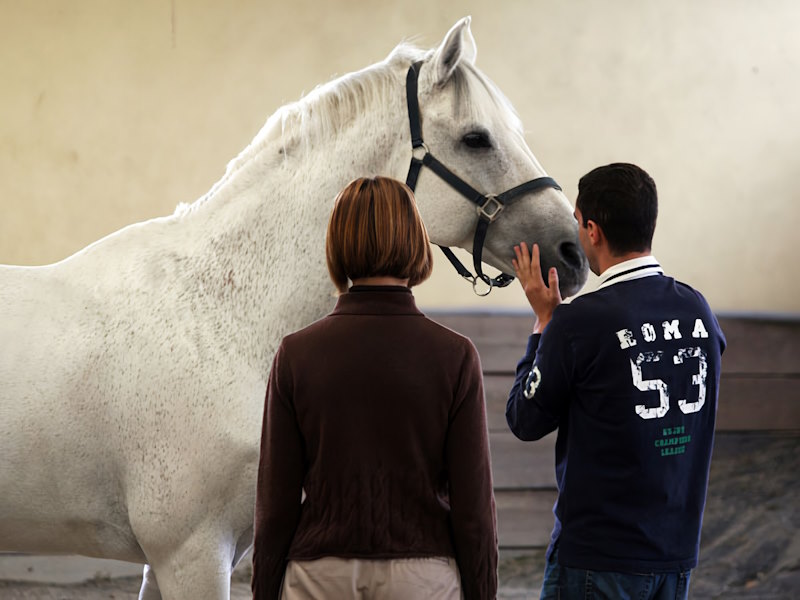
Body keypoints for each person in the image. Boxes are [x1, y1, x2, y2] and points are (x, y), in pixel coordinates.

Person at [252, 176, 498, 600]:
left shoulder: (295, 354)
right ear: (415, 242)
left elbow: (275, 506)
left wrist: (264, 591)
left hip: (318, 575)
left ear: (338, 245)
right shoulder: (455, 355)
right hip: (423, 577)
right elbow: (474, 510)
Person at [506, 163, 726, 600]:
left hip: (597, 559)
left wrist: (544, 323)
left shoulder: (578, 322)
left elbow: (524, 419)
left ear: (592, 230)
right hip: (675, 555)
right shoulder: (698, 309)